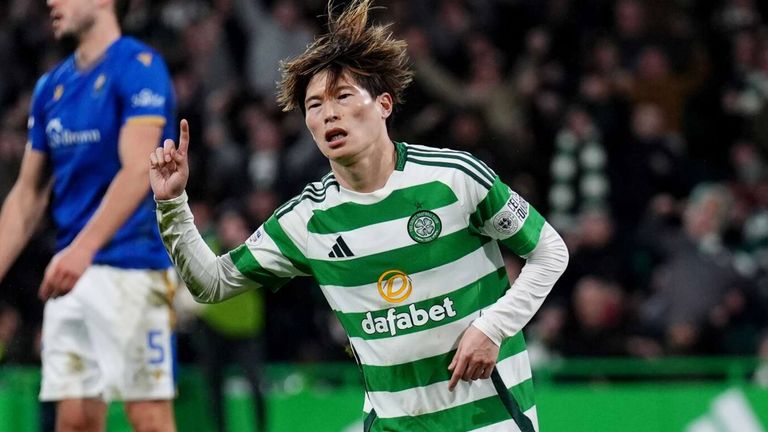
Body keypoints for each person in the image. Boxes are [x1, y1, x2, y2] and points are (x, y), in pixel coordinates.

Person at [150, 1, 568, 430]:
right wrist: (173, 205)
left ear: (384, 104)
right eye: (314, 105)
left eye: (343, 96)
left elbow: (550, 251)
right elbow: (211, 283)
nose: (328, 112)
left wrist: (495, 327)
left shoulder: (453, 178)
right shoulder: (307, 220)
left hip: (490, 421)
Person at [0, 0, 178, 430]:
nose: (50, 2)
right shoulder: (50, 88)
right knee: (75, 419)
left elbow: (139, 168)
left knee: (148, 415)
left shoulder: (139, 66)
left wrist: (83, 249)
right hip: (72, 273)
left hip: (134, 268)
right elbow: (27, 196)